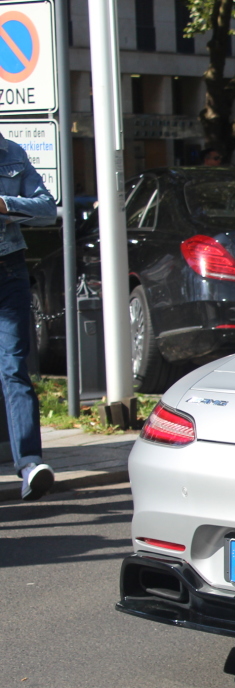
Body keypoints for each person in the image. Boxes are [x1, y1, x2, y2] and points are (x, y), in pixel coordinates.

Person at [0, 131, 57, 500]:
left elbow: (47, 207)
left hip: (9, 270)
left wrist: (5, 205)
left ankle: (29, 464)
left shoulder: (12, 153)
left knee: (13, 367)